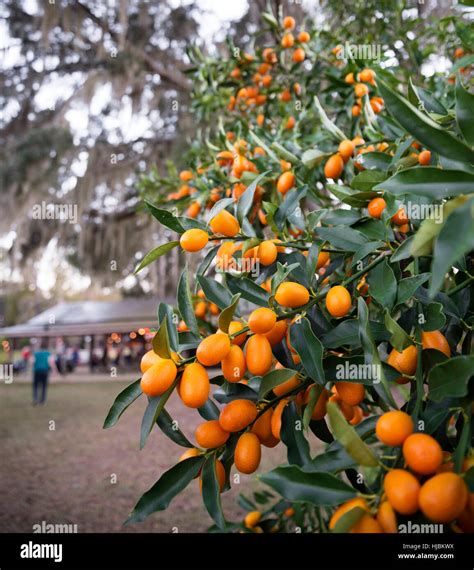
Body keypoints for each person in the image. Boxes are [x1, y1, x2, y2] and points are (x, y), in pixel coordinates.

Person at [33, 341, 52, 405]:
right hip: (44, 371)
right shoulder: (47, 354)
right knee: (44, 386)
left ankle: (35, 399)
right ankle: (42, 401)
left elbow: (32, 362)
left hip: (37, 371)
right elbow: (50, 362)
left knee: (36, 386)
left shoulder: (36, 354)